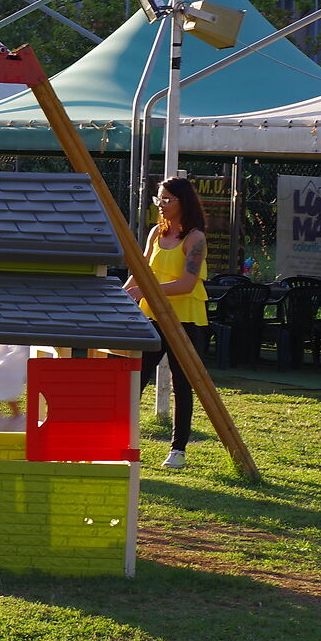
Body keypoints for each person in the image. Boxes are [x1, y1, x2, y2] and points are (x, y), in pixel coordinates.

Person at [135, 176, 210, 471]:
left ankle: (178, 451)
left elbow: (187, 284)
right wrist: (127, 292)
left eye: (167, 199)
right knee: (136, 380)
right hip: (152, 315)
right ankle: (126, 442)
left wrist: (144, 290)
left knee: (182, 384)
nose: (161, 205)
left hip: (185, 319)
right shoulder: (155, 232)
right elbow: (141, 270)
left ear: (183, 202)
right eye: (158, 199)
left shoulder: (196, 238)